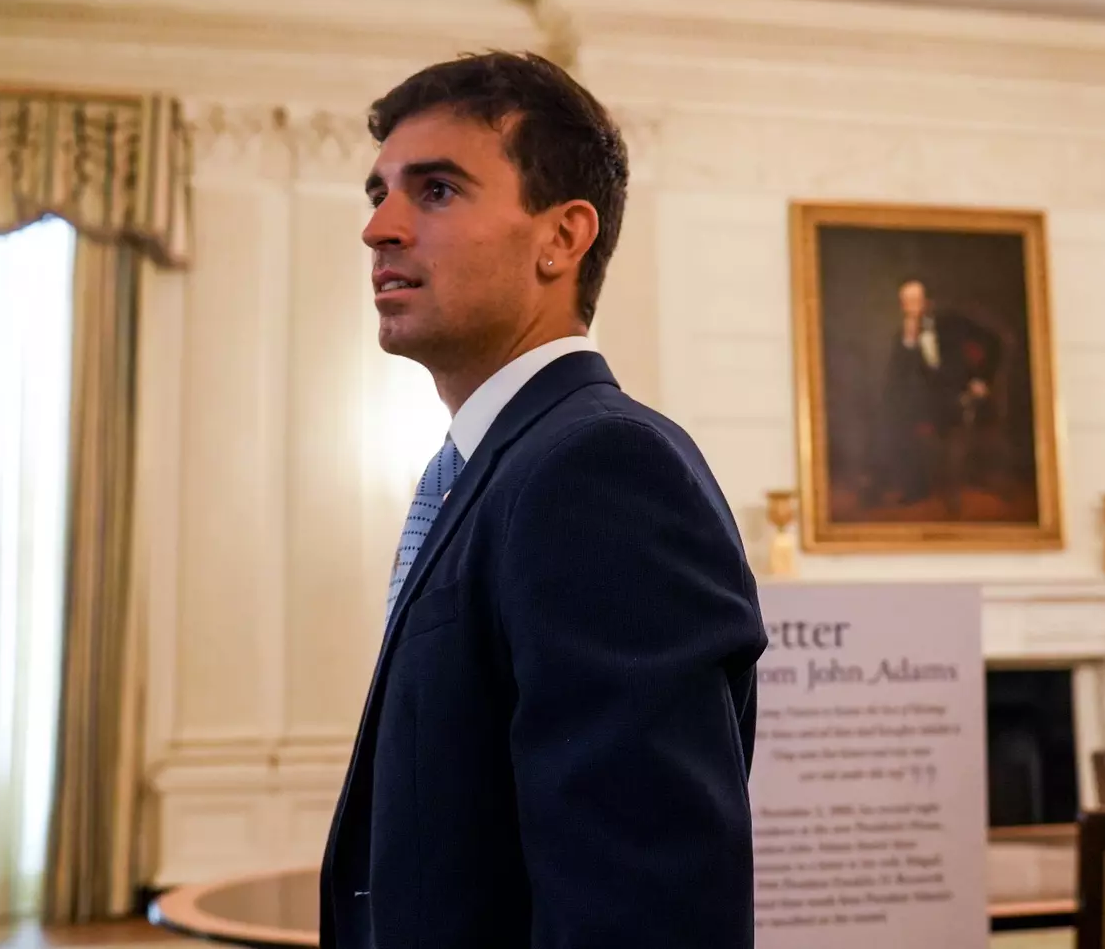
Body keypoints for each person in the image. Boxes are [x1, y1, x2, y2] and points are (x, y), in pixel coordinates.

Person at [319, 51, 768, 949]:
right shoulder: (500, 465)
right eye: (379, 194)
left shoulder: (601, 468)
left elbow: (646, 912)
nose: (381, 228)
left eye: (436, 190)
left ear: (561, 239)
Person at [871, 278, 1001, 512]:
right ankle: (913, 487)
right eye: (906, 302)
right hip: (927, 400)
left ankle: (954, 489)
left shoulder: (954, 322)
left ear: (928, 302)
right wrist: (909, 341)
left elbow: (994, 341)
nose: (911, 307)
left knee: (924, 418)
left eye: (916, 301)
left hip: (959, 394)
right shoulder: (902, 335)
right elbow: (897, 375)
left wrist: (982, 379)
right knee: (892, 417)